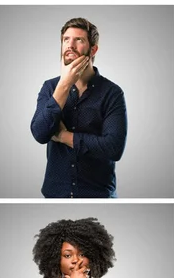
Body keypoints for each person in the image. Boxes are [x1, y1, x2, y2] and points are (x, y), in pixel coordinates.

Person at [30, 18, 127, 198]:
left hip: (98, 195)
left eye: (79, 40)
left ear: (93, 49)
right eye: (66, 40)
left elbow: (114, 148)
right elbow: (39, 133)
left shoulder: (112, 93)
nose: (70, 45)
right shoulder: (50, 88)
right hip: (55, 194)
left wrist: (64, 136)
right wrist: (64, 85)